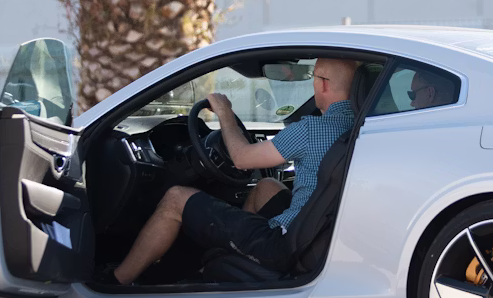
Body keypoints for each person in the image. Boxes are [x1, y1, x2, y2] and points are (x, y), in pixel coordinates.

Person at [110, 58, 360, 284]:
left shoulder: (310, 130)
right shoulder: (360, 126)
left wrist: (225, 113)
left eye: (313, 77)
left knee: (175, 198)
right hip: (317, 234)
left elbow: (241, 159)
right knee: (266, 187)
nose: (312, 84)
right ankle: (230, 254)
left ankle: (116, 281)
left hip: (286, 246)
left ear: (324, 84)